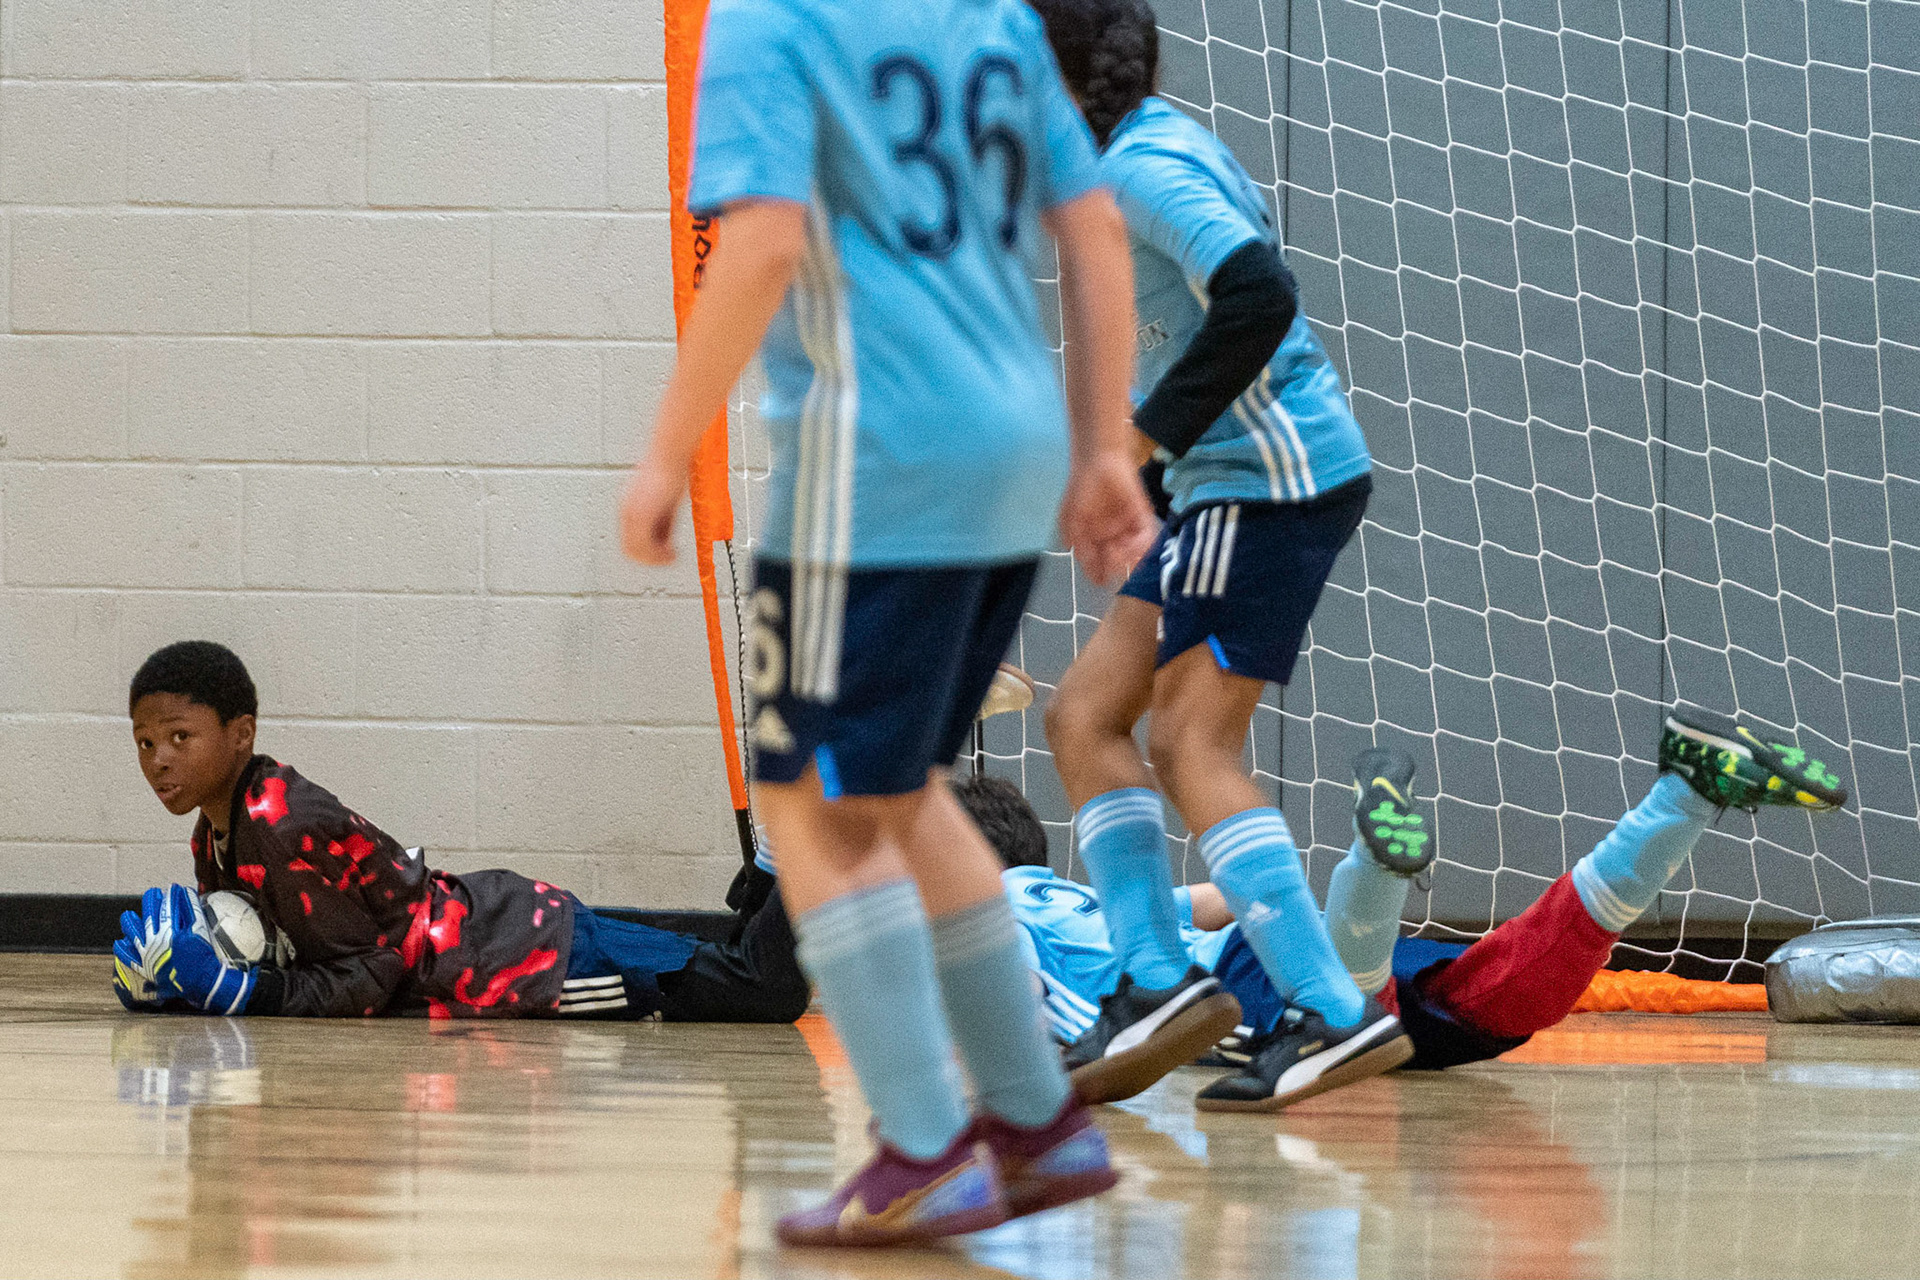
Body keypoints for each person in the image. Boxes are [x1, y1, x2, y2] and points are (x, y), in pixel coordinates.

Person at [616, 0, 1155, 1247]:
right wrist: (1100, 445)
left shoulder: (771, 22)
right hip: (1014, 453)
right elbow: (1094, 227)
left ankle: (921, 1146)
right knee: (897, 789)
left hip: (876, 464)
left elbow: (759, 248)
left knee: (803, 801)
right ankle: (1034, 1118)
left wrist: (662, 453)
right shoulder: (994, 17)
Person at [1026, 0, 1409, 1111]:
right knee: (1084, 715)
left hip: (1271, 483)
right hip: (1221, 486)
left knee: (1192, 739)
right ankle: (1155, 980)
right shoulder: (1130, 157)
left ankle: (1334, 1011)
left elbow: (1258, 295)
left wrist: (1139, 447)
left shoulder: (1144, 169)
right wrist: (1140, 481)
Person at [953, 707, 1848, 1091]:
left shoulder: (985, 917)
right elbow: (1222, 897)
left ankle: (1375, 872)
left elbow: (1005, 1006)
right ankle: (1684, 792)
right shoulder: (1075, 893)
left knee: (1369, 1000)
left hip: (1233, 997)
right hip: (1263, 947)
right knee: (1507, 996)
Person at [113, 641, 808, 1025]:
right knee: (732, 966)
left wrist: (244, 995)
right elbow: (290, 955)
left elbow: (372, 972)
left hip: (529, 964)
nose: (161, 759)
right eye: (145, 743)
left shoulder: (276, 824)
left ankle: (811, 845)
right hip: (505, 933)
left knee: (763, 991)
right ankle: (784, 861)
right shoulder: (217, 835)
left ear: (241, 736)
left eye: (181, 737)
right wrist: (174, 983)